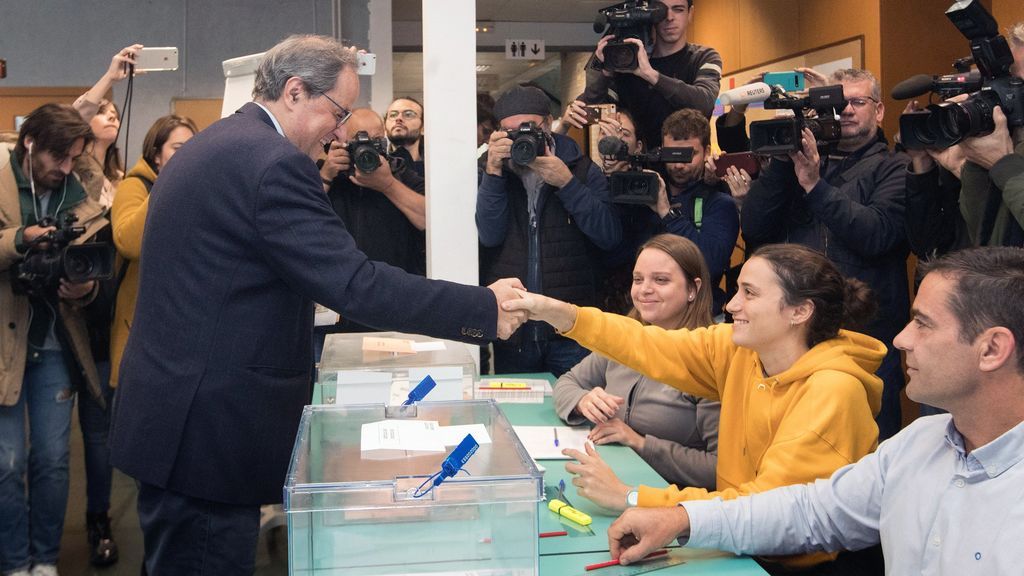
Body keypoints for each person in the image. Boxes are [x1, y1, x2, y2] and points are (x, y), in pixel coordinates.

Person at [107, 35, 526, 574]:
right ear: (295, 91)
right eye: (338, 111)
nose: (343, 130)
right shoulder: (272, 164)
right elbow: (355, 283)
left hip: (181, 414)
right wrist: (483, 308)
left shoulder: (221, 142)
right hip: (207, 429)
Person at [605, 246, 1024, 575]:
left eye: (923, 323)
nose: (900, 339)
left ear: (991, 349)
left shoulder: (836, 390)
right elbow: (809, 511)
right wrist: (679, 518)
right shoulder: (919, 443)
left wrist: (646, 499)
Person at [505, 243, 883, 572]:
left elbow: (769, 513)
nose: (732, 304)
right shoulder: (740, 350)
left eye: (749, 293)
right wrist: (558, 312)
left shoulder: (833, 391)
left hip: (792, 563)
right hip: (735, 541)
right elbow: (646, 344)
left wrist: (637, 498)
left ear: (800, 311)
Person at [741, 68, 911, 440]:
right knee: (793, 443)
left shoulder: (897, 166)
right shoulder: (798, 164)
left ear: (879, 111)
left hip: (864, 337)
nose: (846, 111)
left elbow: (876, 234)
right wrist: (786, 162)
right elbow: (754, 228)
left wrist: (815, 186)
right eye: (837, 102)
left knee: (866, 447)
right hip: (796, 335)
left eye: (857, 102)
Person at [1, 104, 106, 576]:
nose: (64, 169)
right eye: (58, 159)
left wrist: (85, 287)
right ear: (30, 144)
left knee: (53, 461)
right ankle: (13, 561)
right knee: (7, 464)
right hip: (6, 343)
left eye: (73, 160)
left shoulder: (77, 193)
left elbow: (93, 264)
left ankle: (44, 561)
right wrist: (21, 239)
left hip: (57, 343)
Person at [554, 234, 719, 490]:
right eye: (638, 279)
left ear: (693, 289)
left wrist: (640, 443)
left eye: (661, 280)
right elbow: (568, 382)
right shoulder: (624, 338)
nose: (644, 289)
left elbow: (718, 470)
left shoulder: (711, 360)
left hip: (669, 502)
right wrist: (582, 401)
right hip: (610, 480)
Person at [477, 84, 621, 377]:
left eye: (529, 128)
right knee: (515, 417)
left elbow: (608, 236)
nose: (522, 138)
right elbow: (489, 235)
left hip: (570, 329)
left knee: (580, 410)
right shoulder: (493, 172)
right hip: (515, 329)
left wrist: (566, 183)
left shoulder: (580, 168)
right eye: (511, 132)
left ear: (549, 124)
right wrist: (493, 173)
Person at [316, 107, 427, 342]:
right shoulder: (325, 173)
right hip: (334, 307)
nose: (367, 148)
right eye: (357, 141)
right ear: (340, 142)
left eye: (376, 141)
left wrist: (387, 184)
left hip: (392, 302)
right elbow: (295, 217)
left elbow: (428, 220)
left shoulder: (399, 172)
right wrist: (326, 174)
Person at [109, 114, 198, 389]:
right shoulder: (134, 185)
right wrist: (166, 185)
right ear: (156, 155)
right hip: (139, 332)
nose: (186, 158)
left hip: (182, 330)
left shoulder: (195, 190)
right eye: (178, 150)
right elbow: (129, 242)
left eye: (192, 150)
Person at [582, 0, 722, 149]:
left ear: (690, 13)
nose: (669, 17)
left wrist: (650, 74)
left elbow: (705, 102)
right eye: (661, 11)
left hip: (688, 164)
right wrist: (603, 72)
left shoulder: (704, 57)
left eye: (678, 9)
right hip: (638, 166)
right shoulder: (628, 64)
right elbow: (593, 107)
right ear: (650, 16)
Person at [385, 96, 425, 176]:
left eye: (408, 114)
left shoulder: (435, 166)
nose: (398, 118)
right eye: (393, 115)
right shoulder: (379, 166)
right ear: (385, 127)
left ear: (423, 128)